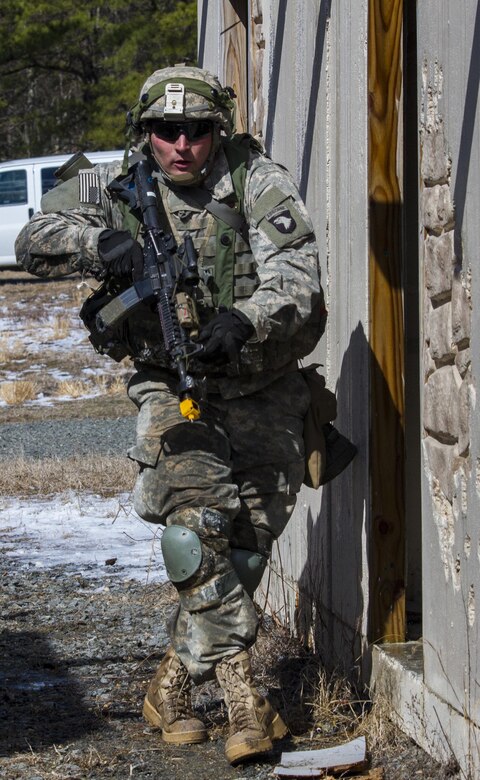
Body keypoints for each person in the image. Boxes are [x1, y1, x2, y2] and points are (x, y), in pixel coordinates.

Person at [16, 65, 326, 764]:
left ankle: (172, 688)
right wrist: (101, 244)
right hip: (169, 383)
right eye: (165, 131)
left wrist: (245, 321)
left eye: (196, 130)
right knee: (193, 536)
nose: (181, 144)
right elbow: (32, 237)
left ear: (218, 130)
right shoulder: (114, 183)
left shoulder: (255, 180)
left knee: (241, 553)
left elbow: (298, 278)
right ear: (145, 132)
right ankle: (248, 706)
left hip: (261, 387)